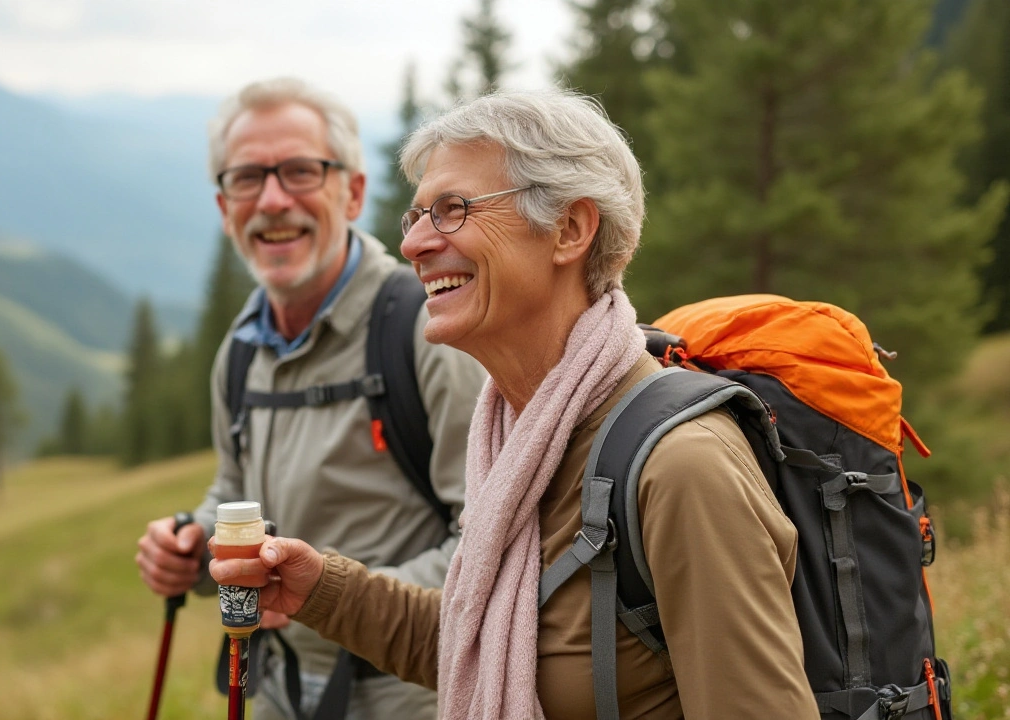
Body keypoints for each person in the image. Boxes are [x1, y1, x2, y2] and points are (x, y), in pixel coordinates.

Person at [208, 88, 822, 720]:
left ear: (570, 229)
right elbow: (488, 645)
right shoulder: (518, 434)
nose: (416, 243)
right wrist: (323, 590)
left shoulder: (682, 470)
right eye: (416, 216)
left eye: (452, 210)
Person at [135, 78, 486, 720]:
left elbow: (488, 546)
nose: (272, 200)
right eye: (246, 178)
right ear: (224, 206)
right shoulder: (241, 352)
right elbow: (234, 489)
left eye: (300, 171)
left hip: (412, 696)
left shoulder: (425, 330)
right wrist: (191, 538)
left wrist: (322, 598)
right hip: (276, 691)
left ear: (350, 192)